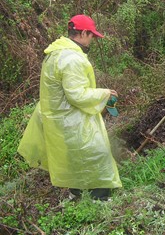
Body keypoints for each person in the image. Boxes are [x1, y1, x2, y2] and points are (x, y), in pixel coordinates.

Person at [18, 14, 122, 201]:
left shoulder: (56, 53)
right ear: (83, 33)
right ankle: (98, 199)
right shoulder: (71, 58)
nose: (92, 40)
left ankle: (76, 195)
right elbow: (76, 94)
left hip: (60, 117)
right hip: (72, 118)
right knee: (96, 152)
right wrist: (105, 94)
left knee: (75, 157)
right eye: (92, 36)